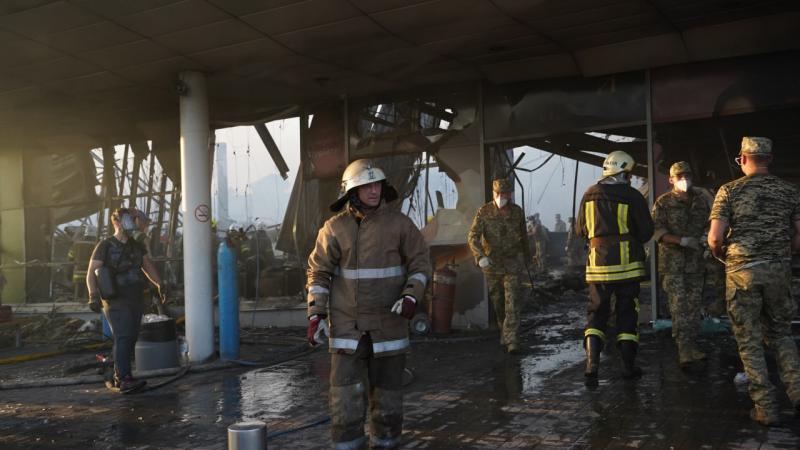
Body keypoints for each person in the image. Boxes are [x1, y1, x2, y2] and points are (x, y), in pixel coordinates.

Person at [306, 159, 431, 450]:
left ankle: (387, 443)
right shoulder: (334, 229)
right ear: (352, 190)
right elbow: (318, 273)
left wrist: (412, 295)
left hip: (389, 327)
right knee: (345, 398)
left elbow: (421, 263)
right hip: (348, 330)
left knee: (388, 398)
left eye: (377, 185)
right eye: (367, 185)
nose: (374, 191)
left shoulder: (400, 225)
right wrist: (316, 314)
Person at [708, 136, 800, 426]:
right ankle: (798, 394)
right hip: (778, 271)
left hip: (742, 272)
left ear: (743, 158)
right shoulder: (789, 191)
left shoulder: (729, 190)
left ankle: (766, 408)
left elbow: (714, 237)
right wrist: (781, 254)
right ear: (769, 159)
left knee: (748, 340)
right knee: (781, 334)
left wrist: (721, 253)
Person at [576, 151, 654, 387]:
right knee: (627, 313)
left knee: (596, 313)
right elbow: (646, 232)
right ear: (624, 172)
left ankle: (591, 365)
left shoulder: (588, 194)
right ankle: (628, 368)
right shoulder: (632, 195)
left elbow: (581, 231)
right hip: (627, 266)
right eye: (629, 174)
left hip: (597, 266)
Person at [86, 207, 167, 393]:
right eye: (132, 219)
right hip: (115, 299)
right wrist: (92, 295)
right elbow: (91, 273)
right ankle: (124, 378)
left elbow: (147, 266)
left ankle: (120, 375)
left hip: (135, 296)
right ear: (118, 222)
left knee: (130, 337)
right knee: (123, 336)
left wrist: (160, 285)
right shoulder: (105, 245)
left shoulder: (136, 246)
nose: (136, 222)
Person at [652, 161, 710, 369]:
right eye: (679, 177)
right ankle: (683, 348)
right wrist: (681, 241)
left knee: (694, 306)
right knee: (679, 307)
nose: (684, 179)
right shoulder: (663, 203)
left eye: (687, 175)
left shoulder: (702, 199)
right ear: (671, 180)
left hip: (696, 263)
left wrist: (706, 237)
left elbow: (712, 221)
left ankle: (692, 344)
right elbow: (657, 231)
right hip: (673, 265)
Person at [468, 178, 531, 354]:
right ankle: (504, 331)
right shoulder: (484, 211)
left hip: (513, 263)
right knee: (498, 302)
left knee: (512, 302)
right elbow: (472, 236)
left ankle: (512, 340)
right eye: (499, 193)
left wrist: (528, 258)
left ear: (510, 194)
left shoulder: (517, 212)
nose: (502, 197)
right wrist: (480, 256)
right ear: (494, 194)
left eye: (505, 193)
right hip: (492, 265)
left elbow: (523, 236)